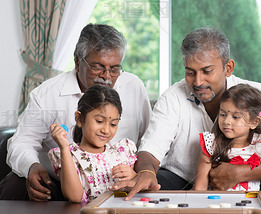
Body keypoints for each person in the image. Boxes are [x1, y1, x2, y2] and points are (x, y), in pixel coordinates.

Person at [111, 26, 261, 203]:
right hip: (187, 181)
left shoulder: (260, 95)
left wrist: (240, 173)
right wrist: (146, 171)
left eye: (207, 71)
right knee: (153, 184)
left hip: (252, 184)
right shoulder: (172, 97)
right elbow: (151, 149)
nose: (198, 82)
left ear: (228, 68)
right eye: (190, 72)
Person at [0, 24, 151, 201]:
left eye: (115, 68)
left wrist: (137, 172)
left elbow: (147, 141)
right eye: (98, 67)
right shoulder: (47, 94)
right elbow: (22, 142)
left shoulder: (133, 87)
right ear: (78, 62)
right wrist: (31, 167)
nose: (107, 76)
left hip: (117, 183)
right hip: (58, 183)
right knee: (14, 185)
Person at [193, 84, 261, 204]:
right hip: (219, 205)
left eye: (235, 117)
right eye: (223, 114)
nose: (226, 121)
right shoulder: (211, 145)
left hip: (251, 206)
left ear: (254, 122)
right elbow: (200, 188)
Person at [49, 85, 137, 203]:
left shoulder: (123, 151)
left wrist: (133, 177)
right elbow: (74, 196)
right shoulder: (67, 155)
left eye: (113, 124)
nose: (106, 130)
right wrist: (64, 147)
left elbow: (134, 191)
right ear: (80, 119)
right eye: (99, 121)